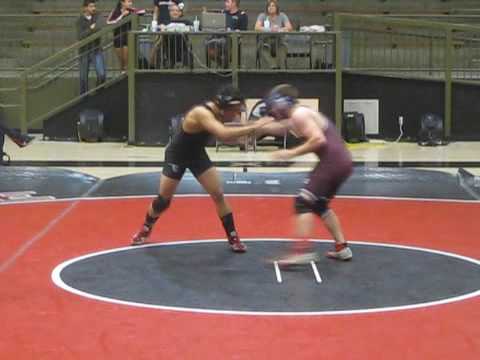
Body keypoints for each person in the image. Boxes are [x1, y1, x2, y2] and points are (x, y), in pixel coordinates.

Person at [131, 85, 273, 252]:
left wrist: (263, 127)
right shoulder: (202, 113)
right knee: (163, 201)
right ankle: (146, 227)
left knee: (218, 194)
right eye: (234, 111)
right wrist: (257, 127)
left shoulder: (221, 112)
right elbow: (224, 135)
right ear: (225, 106)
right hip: (178, 154)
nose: (236, 115)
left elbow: (234, 137)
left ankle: (233, 237)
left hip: (197, 154)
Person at [259, 84, 353, 265]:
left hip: (332, 161)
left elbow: (318, 139)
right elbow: (280, 128)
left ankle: (301, 251)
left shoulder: (299, 114)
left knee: (302, 202)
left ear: (282, 104)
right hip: (342, 161)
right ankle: (342, 248)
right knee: (319, 204)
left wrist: (290, 154)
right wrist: (255, 127)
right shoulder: (298, 115)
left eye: (273, 108)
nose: (272, 112)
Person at [206, 0, 248, 68]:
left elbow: (243, 32)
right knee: (208, 42)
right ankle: (223, 64)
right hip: (219, 38)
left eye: (227, 2)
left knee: (226, 43)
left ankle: (224, 67)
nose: (225, 4)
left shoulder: (242, 15)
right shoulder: (223, 13)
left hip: (232, 41)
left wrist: (234, 31)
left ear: (234, 3)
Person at [76, 0, 106, 94]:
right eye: (91, 6)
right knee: (83, 79)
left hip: (96, 50)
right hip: (84, 51)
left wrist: (91, 30)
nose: (93, 8)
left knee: (101, 74)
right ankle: (83, 99)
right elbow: (80, 36)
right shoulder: (80, 21)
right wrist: (91, 28)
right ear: (85, 8)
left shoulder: (98, 16)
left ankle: (99, 94)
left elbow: (100, 25)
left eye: (94, 6)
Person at [151, 3, 192, 68]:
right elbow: (156, 29)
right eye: (172, 10)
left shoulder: (186, 22)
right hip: (169, 51)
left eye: (177, 11)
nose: (175, 12)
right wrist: (161, 27)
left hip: (184, 49)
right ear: (169, 12)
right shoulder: (165, 22)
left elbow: (197, 28)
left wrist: (189, 28)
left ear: (180, 13)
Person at [255, 0, 292, 69]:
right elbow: (257, 27)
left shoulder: (282, 15)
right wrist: (270, 29)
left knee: (283, 47)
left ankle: (279, 67)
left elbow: (289, 27)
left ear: (277, 7)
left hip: (279, 41)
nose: (270, 7)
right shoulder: (262, 15)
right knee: (262, 48)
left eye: (273, 6)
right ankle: (274, 66)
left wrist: (279, 29)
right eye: (269, 6)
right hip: (265, 41)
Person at [107, 0, 135, 71]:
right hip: (117, 37)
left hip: (127, 37)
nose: (130, 3)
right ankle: (122, 73)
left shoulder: (132, 11)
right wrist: (122, 15)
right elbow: (108, 22)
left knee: (127, 62)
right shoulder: (115, 11)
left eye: (131, 1)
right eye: (128, 1)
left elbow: (142, 12)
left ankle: (127, 76)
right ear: (122, 2)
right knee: (122, 62)